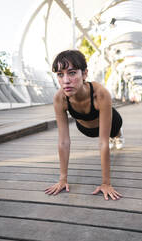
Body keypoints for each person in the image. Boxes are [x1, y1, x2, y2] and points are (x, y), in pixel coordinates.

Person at [45, 50, 124, 201]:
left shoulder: (100, 93)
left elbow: (103, 142)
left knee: (113, 134)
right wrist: (62, 179)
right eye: (60, 75)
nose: (66, 80)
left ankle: (119, 135)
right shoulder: (60, 98)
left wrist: (106, 183)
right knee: (86, 133)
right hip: (85, 128)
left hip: (111, 123)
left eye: (72, 73)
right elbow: (63, 141)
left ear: (85, 74)